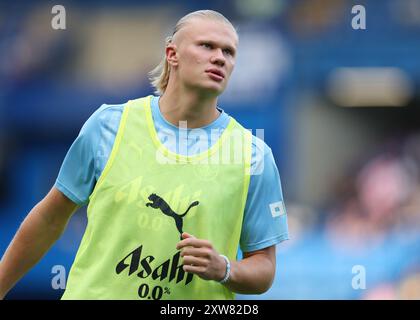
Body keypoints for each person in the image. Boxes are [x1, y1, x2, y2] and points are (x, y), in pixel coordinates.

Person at [0, 9, 289, 300]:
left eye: (229, 52)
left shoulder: (252, 155)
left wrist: (225, 268)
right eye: (207, 46)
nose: (219, 58)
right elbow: (49, 219)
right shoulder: (109, 126)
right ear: (172, 54)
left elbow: (264, 266)